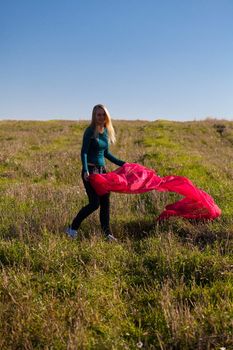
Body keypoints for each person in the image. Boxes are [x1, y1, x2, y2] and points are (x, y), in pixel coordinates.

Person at [66, 104, 125, 241]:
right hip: (91, 172)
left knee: (105, 203)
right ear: (94, 116)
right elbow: (84, 152)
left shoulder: (105, 131)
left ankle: (107, 234)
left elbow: (106, 154)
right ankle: (72, 228)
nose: (101, 117)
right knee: (94, 203)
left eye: (103, 114)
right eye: (98, 114)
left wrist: (124, 164)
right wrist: (86, 170)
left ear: (106, 116)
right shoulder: (89, 131)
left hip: (103, 172)